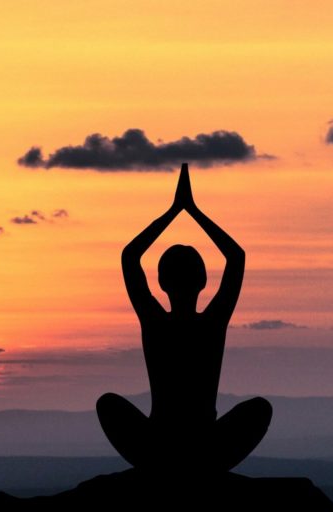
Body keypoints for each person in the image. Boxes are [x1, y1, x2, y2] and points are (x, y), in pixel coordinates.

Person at [96, 163, 272, 475]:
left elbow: (129, 256)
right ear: (204, 281)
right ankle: (196, 467)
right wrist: (191, 211)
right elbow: (236, 257)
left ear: (161, 283)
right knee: (260, 409)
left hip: (160, 444)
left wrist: (175, 211)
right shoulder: (212, 322)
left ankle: (169, 466)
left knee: (108, 404)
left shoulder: (155, 321)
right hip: (203, 445)